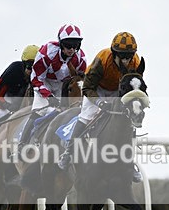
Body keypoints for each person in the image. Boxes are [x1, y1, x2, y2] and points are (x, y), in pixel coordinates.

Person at [57, 31, 142, 181]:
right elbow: (87, 88)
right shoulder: (102, 60)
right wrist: (99, 102)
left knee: (128, 120)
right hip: (96, 89)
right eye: (122, 56)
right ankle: (68, 153)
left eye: (129, 55)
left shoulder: (135, 62)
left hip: (117, 90)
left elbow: (133, 86)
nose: (126, 60)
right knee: (86, 116)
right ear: (114, 53)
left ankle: (130, 162)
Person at [19, 24, 87, 145]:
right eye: (68, 45)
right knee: (39, 111)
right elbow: (35, 78)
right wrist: (49, 96)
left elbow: (79, 80)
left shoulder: (81, 58)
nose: (72, 49)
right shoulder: (47, 52)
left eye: (75, 45)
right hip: (44, 82)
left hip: (63, 85)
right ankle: (22, 144)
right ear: (60, 43)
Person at [0, 44, 39, 146]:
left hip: (28, 102)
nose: (32, 72)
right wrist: (7, 106)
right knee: (2, 114)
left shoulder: (40, 74)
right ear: (23, 64)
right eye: (30, 67)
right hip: (8, 99)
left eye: (36, 68)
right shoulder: (13, 71)